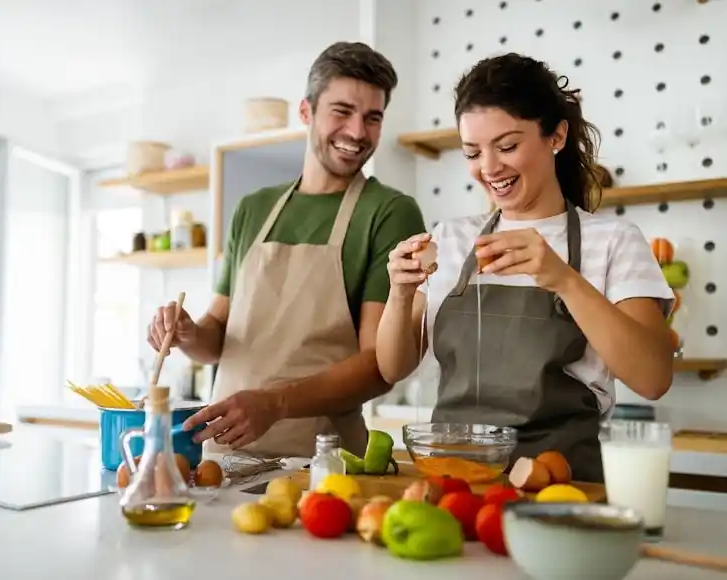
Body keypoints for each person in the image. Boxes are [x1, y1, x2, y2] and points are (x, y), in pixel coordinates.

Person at [376, 53, 675, 483]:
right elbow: (392, 368)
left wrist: (564, 280)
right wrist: (399, 292)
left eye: (508, 146)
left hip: (562, 484)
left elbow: (653, 378)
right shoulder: (452, 239)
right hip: (455, 481)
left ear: (556, 136)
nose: (489, 168)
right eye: (472, 152)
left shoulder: (612, 242)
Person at [147, 42, 427, 459]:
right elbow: (217, 337)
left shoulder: (389, 212)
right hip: (222, 459)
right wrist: (188, 333)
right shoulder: (253, 208)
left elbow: (378, 366)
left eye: (372, 118)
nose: (356, 132)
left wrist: (275, 403)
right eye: (341, 111)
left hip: (320, 465)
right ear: (306, 112)